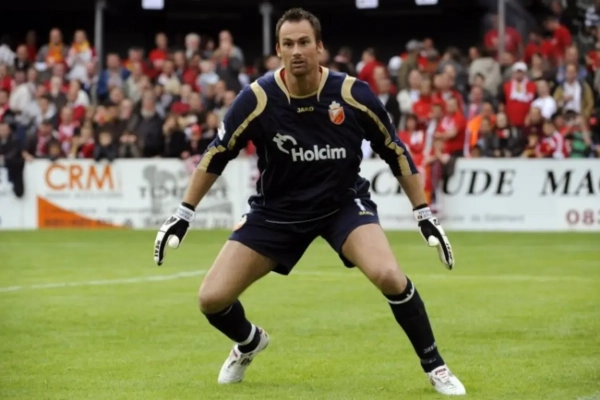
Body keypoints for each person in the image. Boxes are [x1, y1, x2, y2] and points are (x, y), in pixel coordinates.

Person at [153, 8, 465, 396]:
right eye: (288, 44)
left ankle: (436, 367)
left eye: (304, 42)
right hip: (277, 211)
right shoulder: (257, 99)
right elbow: (218, 152)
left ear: (320, 47)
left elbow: (394, 149)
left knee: (388, 275)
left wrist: (423, 213)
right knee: (211, 299)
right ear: (278, 50)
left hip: (342, 205)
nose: (296, 50)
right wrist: (184, 213)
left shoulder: (352, 94)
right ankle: (249, 342)